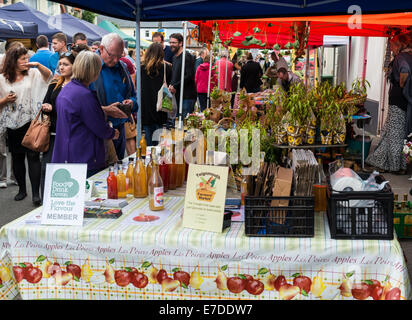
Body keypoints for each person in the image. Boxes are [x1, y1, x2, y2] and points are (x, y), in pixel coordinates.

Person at [52, 51, 119, 178]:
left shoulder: (67, 89)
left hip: (68, 153)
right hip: (84, 156)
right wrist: (111, 132)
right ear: (94, 71)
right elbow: (97, 125)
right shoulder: (84, 95)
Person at [0, 46, 52, 204]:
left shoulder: (33, 73)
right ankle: (22, 189)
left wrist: (37, 65)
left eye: (27, 58)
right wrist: (5, 100)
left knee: (33, 156)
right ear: (13, 61)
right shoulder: (2, 78)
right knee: (17, 157)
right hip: (11, 122)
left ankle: (36, 193)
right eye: (22, 59)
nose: (26, 61)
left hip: (30, 120)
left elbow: (49, 76)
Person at [366, 34, 412, 174]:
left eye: (392, 45)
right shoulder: (409, 56)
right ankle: (381, 162)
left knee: (395, 135)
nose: (391, 48)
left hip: (398, 101)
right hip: (404, 101)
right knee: (391, 132)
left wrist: (402, 85)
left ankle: (396, 166)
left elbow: (405, 71)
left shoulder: (401, 58)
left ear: (398, 45)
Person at [90, 33, 137, 161]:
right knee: (99, 174)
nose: (116, 60)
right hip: (98, 131)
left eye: (119, 55)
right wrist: (105, 109)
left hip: (119, 129)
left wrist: (131, 103)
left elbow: (134, 95)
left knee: (117, 171)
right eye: (112, 55)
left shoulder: (122, 67)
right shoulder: (90, 67)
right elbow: (81, 104)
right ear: (101, 49)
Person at [40, 51, 76, 199]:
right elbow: (45, 103)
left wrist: (53, 108)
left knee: (69, 171)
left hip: (71, 135)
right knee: (47, 168)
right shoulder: (54, 84)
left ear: (74, 66)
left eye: (66, 64)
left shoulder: (78, 86)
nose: (61, 67)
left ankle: (66, 201)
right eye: (60, 64)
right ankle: (45, 202)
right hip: (53, 134)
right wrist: (46, 107)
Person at [0, 41, 23, 188]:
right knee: (1, 149)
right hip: (2, 117)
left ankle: (15, 177)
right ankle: (2, 178)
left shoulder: (24, 76)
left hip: (18, 117)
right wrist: (5, 100)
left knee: (16, 150)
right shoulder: (2, 76)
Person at [141, 43, 172, 146]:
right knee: (159, 141)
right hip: (160, 107)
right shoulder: (166, 68)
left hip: (145, 107)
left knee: (147, 140)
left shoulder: (141, 68)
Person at [168, 33, 197, 120]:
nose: (171, 45)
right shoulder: (174, 57)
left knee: (184, 124)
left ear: (180, 43)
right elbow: (175, 75)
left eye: (174, 42)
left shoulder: (186, 56)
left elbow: (189, 75)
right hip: (177, 96)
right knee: (177, 123)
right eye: (170, 42)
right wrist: (171, 85)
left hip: (187, 97)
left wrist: (175, 86)